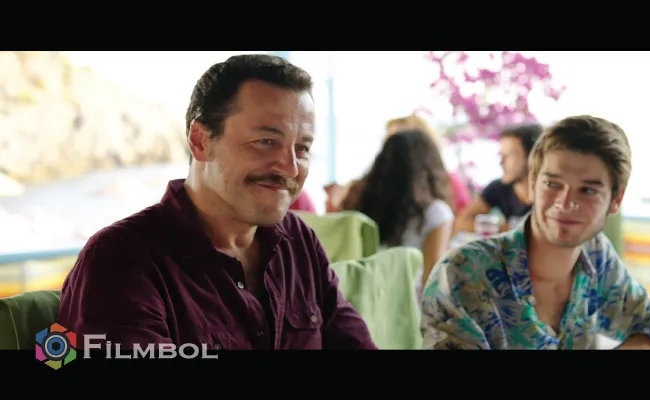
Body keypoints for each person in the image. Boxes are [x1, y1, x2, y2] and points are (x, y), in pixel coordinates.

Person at [58, 54, 377, 350]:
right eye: (266, 141)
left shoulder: (299, 242)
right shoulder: (121, 261)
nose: (291, 168)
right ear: (200, 141)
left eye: (302, 148)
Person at [421, 115, 650, 350]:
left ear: (616, 200)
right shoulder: (463, 272)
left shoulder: (596, 256)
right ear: (533, 183)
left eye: (587, 190)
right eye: (552, 184)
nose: (566, 203)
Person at [340, 129, 454, 289]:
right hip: (407, 300)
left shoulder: (360, 200)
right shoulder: (437, 213)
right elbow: (431, 279)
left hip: (361, 295)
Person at [325, 114, 471, 215]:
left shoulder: (449, 185)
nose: (394, 149)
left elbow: (463, 222)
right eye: (390, 141)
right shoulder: (366, 189)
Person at [454, 123, 542, 233]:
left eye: (509, 155)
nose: (501, 162)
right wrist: (500, 229)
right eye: (501, 155)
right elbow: (462, 221)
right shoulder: (499, 188)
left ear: (532, 156)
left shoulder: (550, 193)